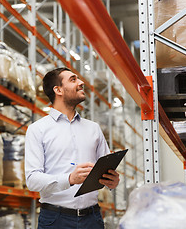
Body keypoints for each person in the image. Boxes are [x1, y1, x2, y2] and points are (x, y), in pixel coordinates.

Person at [25, 67, 120, 229]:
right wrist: (69, 179)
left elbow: (106, 168)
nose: (81, 82)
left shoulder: (93, 129)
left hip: (92, 218)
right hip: (56, 220)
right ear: (58, 90)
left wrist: (113, 181)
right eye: (73, 79)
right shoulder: (38, 129)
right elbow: (32, 180)